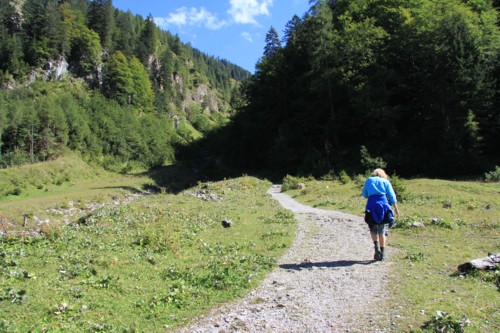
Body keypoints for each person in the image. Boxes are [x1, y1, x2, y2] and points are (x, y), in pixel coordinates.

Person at [362, 168, 400, 261]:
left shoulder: (369, 180)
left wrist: (371, 195)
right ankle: (383, 254)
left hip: (371, 206)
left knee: (373, 229)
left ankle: (376, 248)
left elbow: (364, 194)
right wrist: (396, 209)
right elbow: (392, 196)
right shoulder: (385, 181)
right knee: (382, 231)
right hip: (383, 206)